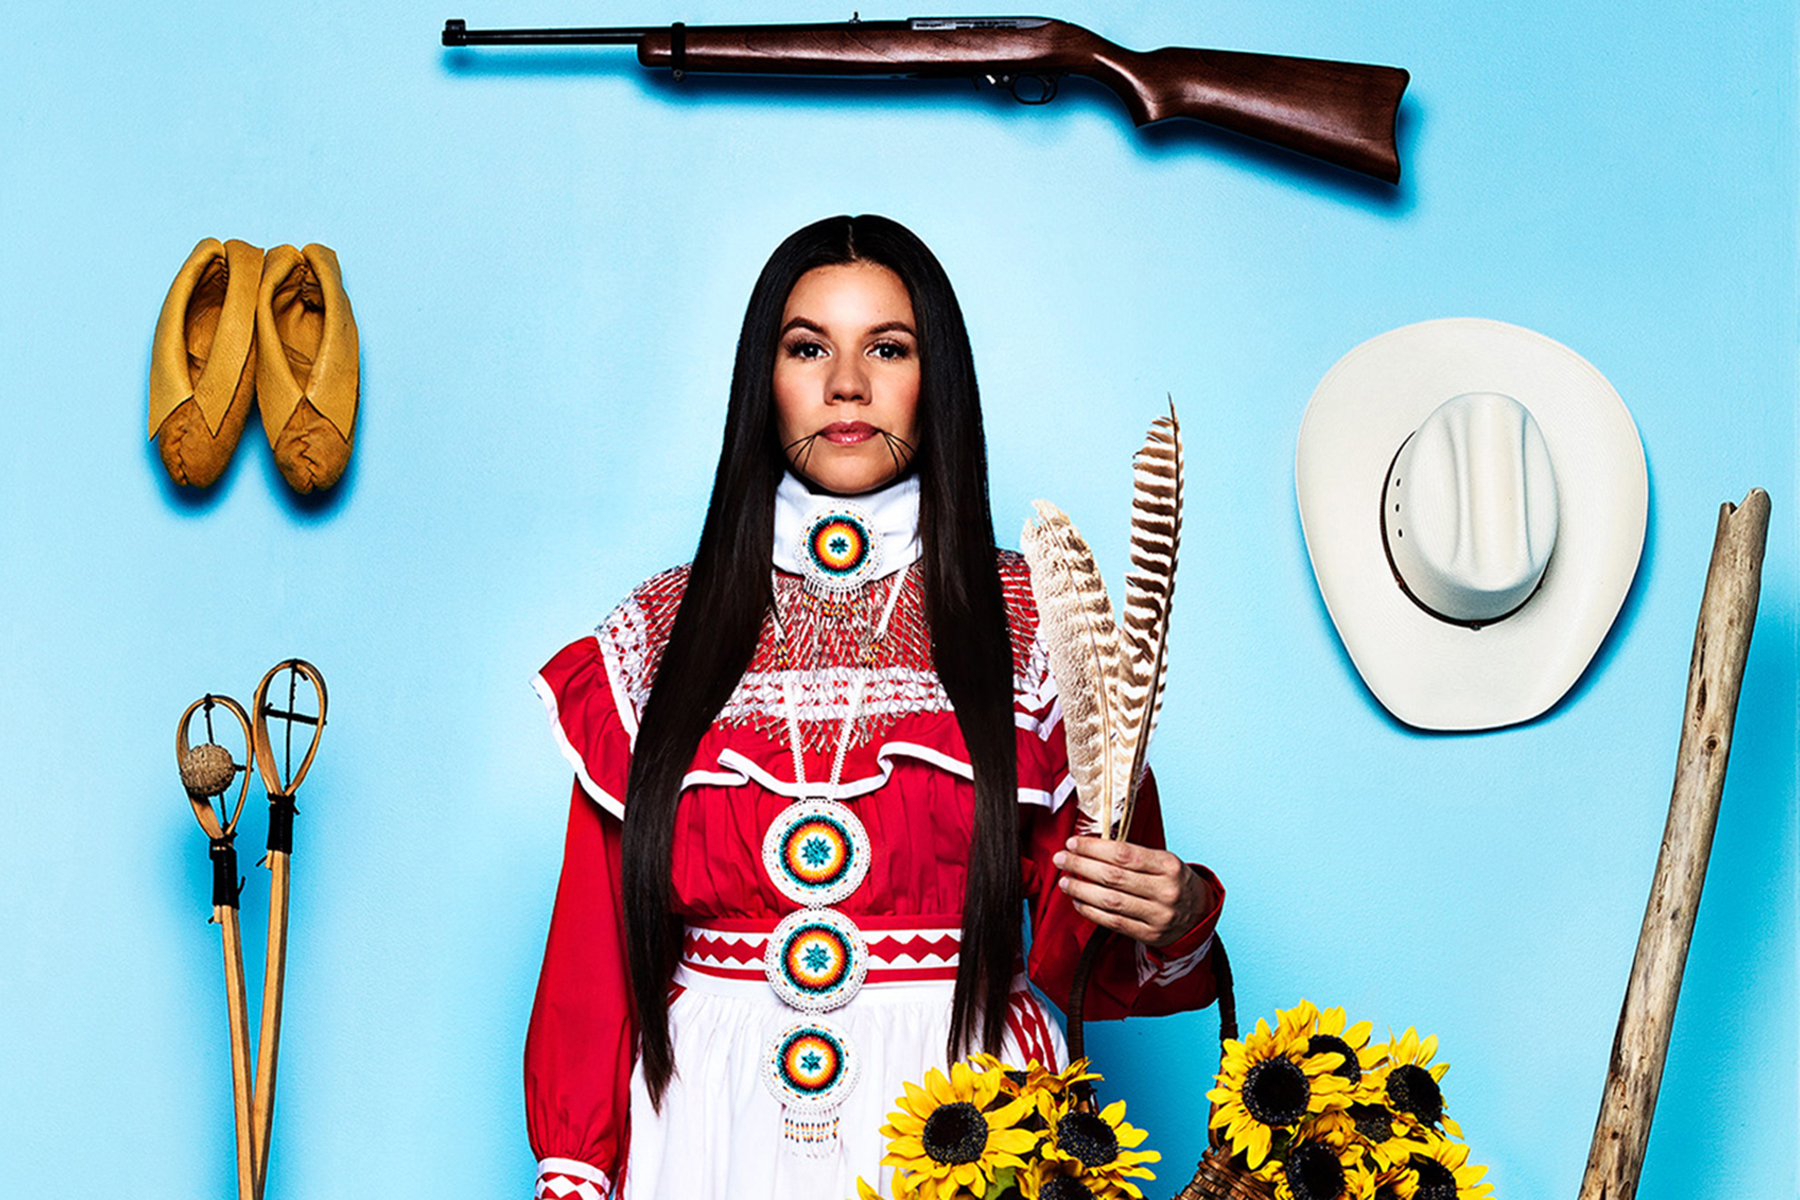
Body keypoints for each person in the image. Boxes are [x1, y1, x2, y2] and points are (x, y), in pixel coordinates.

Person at [525, 215, 1224, 1200]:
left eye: (886, 348)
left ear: (933, 379)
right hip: (708, 1119)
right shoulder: (658, 634)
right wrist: (576, 1174)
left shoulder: (1038, 627)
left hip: (971, 1104)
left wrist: (1175, 907)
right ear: (760, 381)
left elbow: (1095, 948)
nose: (844, 384)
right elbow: (589, 965)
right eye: (808, 347)